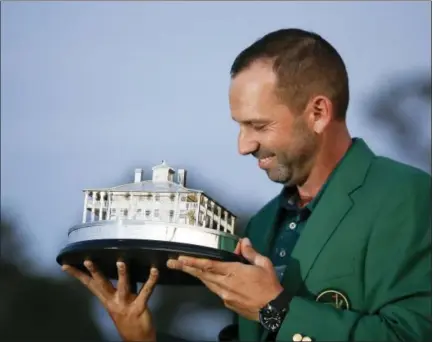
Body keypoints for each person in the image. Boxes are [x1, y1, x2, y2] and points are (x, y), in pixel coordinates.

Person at [62, 28, 432, 342]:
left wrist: (276, 309)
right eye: (239, 126)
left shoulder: (409, 196)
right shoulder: (261, 223)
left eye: (258, 126)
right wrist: (142, 337)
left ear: (318, 113)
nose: (243, 146)